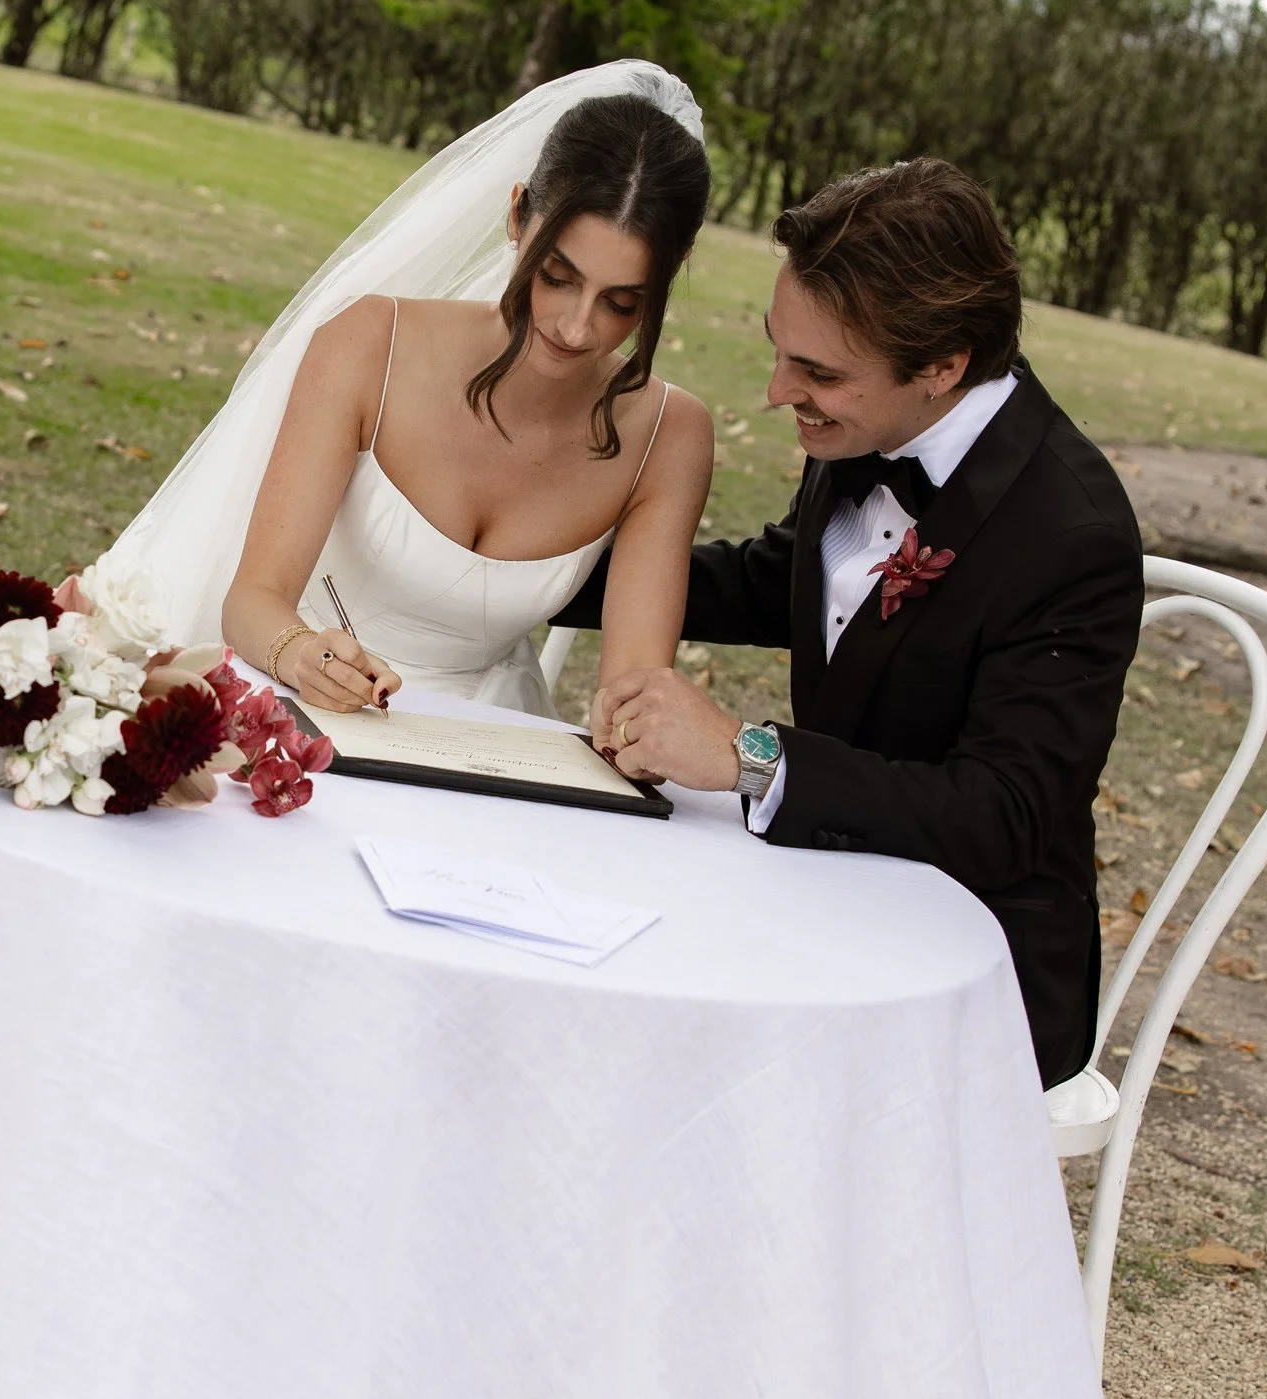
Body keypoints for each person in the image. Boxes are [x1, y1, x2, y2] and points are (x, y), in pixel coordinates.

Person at [571, 158, 1144, 1086]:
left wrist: (751, 758)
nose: (776, 390)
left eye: (817, 372)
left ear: (943, 367)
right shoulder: (867, 423)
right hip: (823, 879)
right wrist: (524, 566)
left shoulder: (1072, 534)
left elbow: (1003, 815)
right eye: (779, 349)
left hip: (972, 960)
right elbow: (780, 583)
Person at [91, 61, 715, 712]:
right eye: (557, 277)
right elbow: (253, 601)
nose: (577, 327)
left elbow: (634, 689)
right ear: (516, 215)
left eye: (622, 302)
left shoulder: (670, 435)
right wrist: (303, 653)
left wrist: (633, 728)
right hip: (300, 697)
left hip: (492, 734)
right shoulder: (369, 345)